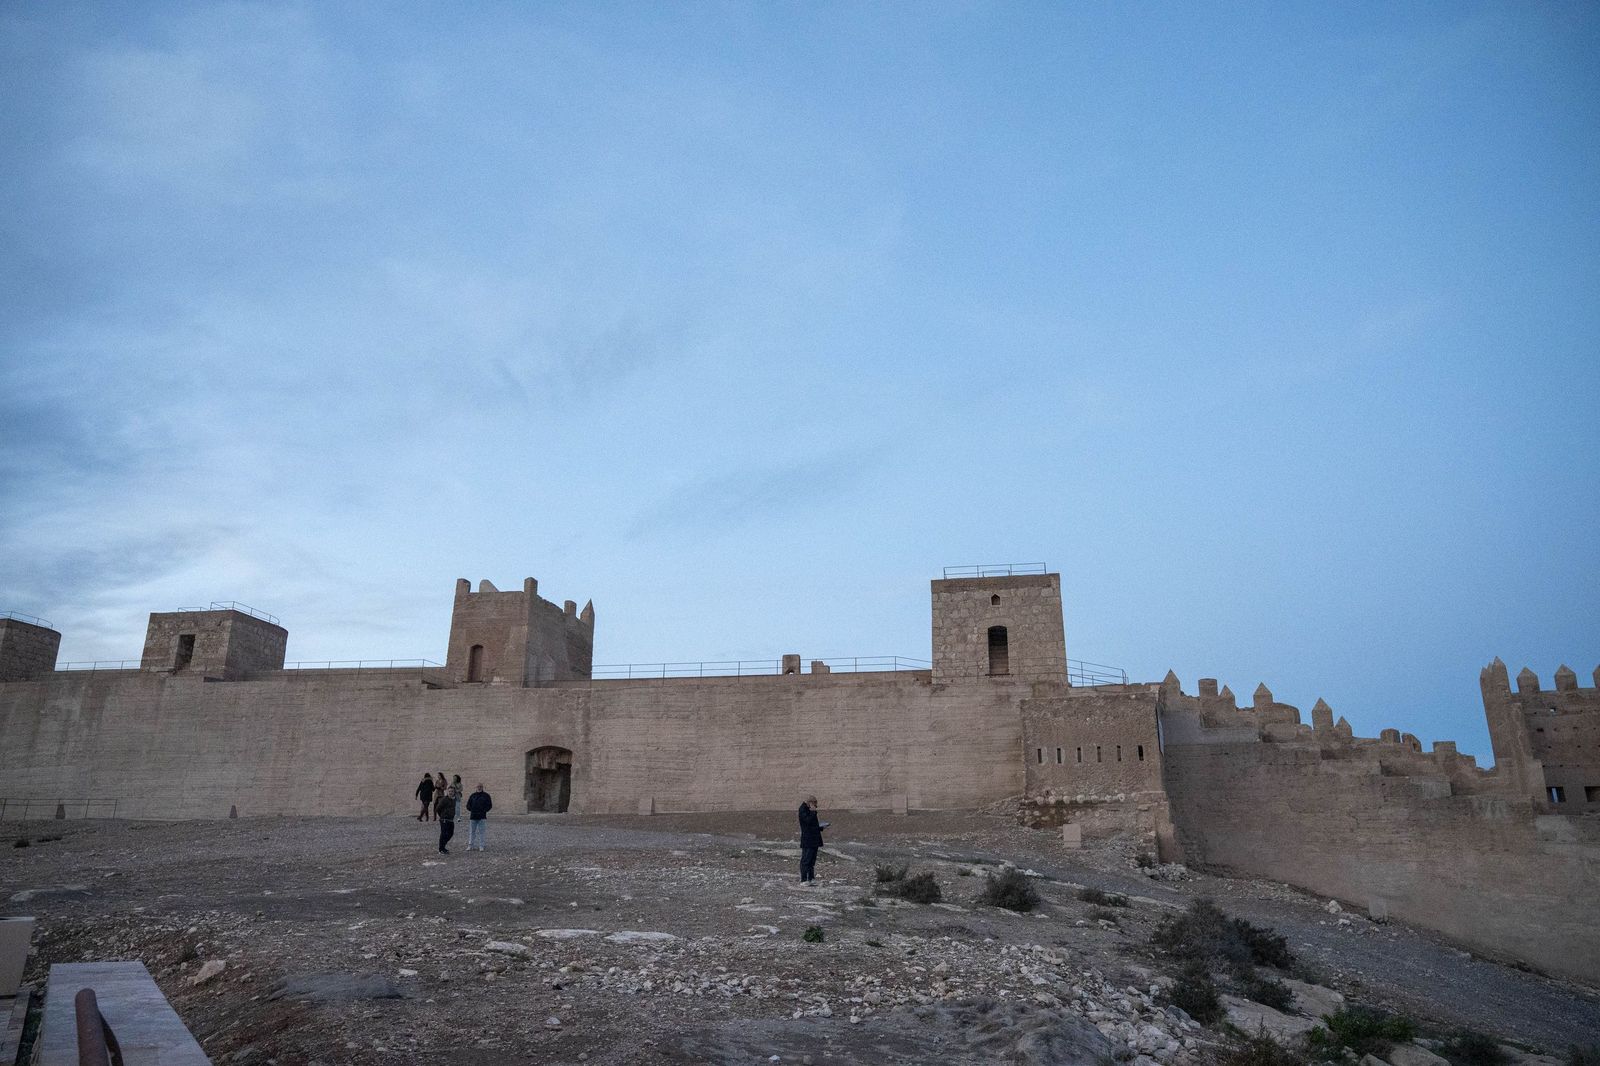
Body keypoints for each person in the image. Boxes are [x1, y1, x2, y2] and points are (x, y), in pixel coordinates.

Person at [797, 794, 828, 883]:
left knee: (812, 860)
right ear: (810, 803)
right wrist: (813, 812)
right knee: (806, 860)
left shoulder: (809, 810)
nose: (816, 806)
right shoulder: (803, 810)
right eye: (815, 804)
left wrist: (821, 827)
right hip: (808, 839)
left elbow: (812, 825)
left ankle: (811, 878)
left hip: (813, 839)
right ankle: (804, 879)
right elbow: (807, 821)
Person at [466, 782, 493, 851]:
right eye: (478, 786)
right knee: (472, 832)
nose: (479, 787)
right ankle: (470, 845)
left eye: (480, 786)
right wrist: (472, 809)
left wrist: (484, 810)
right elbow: (468, 805)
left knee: (482, 832)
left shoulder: (486, 795)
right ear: (476, 787)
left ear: (482, 787)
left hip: (482, 816)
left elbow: (489, 805)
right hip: (473, 816)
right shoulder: (472, 795)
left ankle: (481, 846)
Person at [435, 782, 457, 853]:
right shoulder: (444, 799)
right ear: (447, 792)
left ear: (454, 792)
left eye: (452, 791)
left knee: (451, 833)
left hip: (451, 819)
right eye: (449, 791)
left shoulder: (454, 800)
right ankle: (441, 849)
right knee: (443, 834)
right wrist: (442, 816)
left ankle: (443, 846)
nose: (451, 793)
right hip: (444, 819)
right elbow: (438, 808)